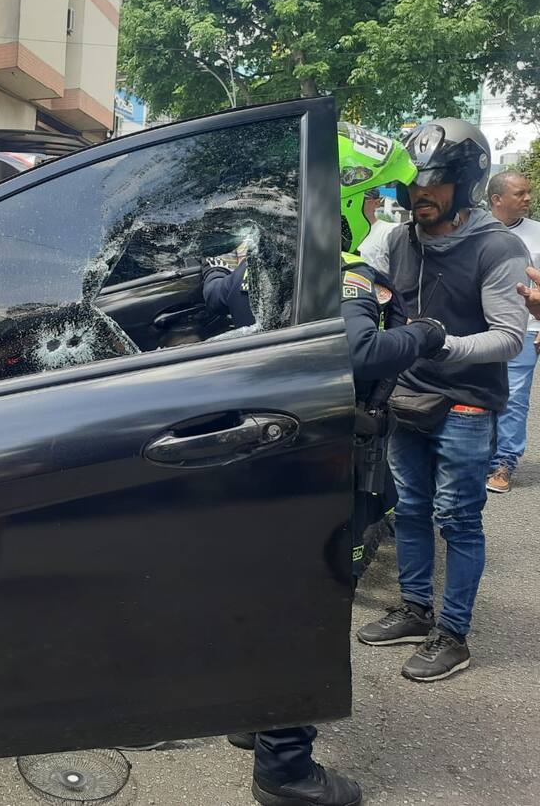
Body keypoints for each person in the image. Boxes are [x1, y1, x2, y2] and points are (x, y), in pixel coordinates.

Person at [205, 125, 446, 806]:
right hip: (327, 466)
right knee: (309, 612)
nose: (381, 216)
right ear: (347, 194)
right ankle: (286, 770)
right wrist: (421, 335)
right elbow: (358, 355)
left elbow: (225, 314)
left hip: (263, 459)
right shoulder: (343, 273)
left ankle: (255, 723)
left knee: (265, 602)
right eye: (376, 203)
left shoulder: (253, 263)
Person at [356, 119, 530, 683]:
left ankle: (453, 635)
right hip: (407, 396)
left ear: (467, 183)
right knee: (407, 509)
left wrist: (439, 342)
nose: (420, 195)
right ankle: (413, 607)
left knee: (457, 519)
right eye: (413, 185)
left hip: (466, 401)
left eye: (435, 184)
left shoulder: (496, 245)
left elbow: (508, 335)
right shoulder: (399, 239)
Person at [486, 171, 539, 493]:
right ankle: (476, 456)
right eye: (520, 193)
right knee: (477, 395)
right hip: (481, 331)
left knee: (514, 398)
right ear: (497, 199)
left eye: (529, 193)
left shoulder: (537, 233)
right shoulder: (475, 231)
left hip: (524, 329)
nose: (528, 199)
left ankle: (504, 462)